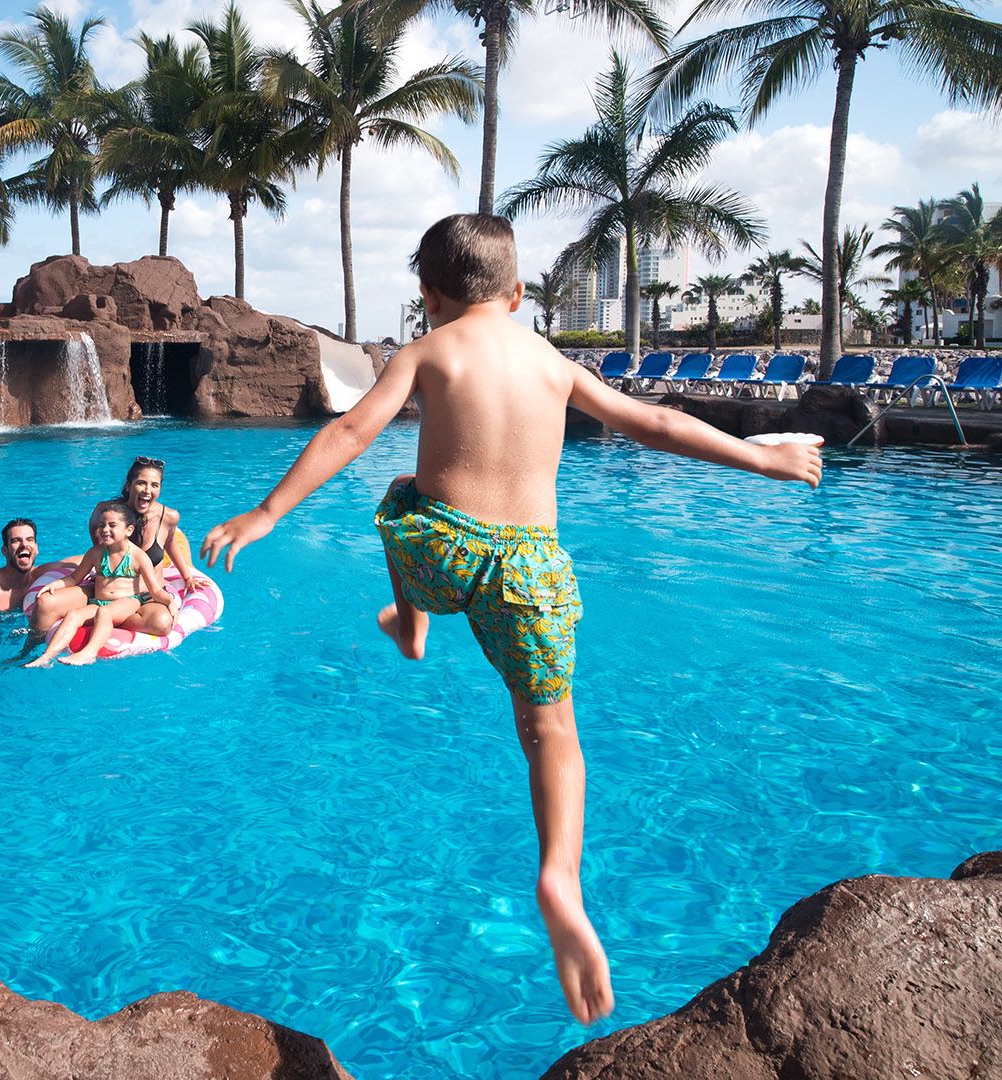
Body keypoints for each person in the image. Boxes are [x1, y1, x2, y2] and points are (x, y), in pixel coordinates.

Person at [201, 213, 822, 1025]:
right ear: (520, 292)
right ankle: (559, 877)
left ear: (428, 298)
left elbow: (354, 429)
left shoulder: (425, 352)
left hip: (442, 554)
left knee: (398, 499)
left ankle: (415, 626)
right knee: (551, 732)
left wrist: (268, 511)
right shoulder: (554, 364)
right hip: (529, 573)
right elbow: (656, 426)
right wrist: (765, 457)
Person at [28, 456, 212, 637]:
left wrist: (187, 576)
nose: (147, 490)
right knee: (45, 603)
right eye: (141, 483)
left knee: (162, 623)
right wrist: (105, 561)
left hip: (146, 596)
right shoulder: (106, 512)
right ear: (128, 485)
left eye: (155, 485)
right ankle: (29, 652)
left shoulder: (168, 516)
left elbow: (171, 542)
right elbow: (94, 528)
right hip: (104, 590)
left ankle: (106, 621)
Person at [26, 500, 175, 667]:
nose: (105, 530)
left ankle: (88, 653)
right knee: (73, 615)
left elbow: (154, 589)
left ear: (129, 530)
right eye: (102, 525)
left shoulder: (138, 557)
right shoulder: (95, 553)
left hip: (128, 602)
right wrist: (58, 584)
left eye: (112, 525)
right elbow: (75, 578)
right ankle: (47, 656)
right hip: (98, 602)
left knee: (104, 613)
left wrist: (170, 602)